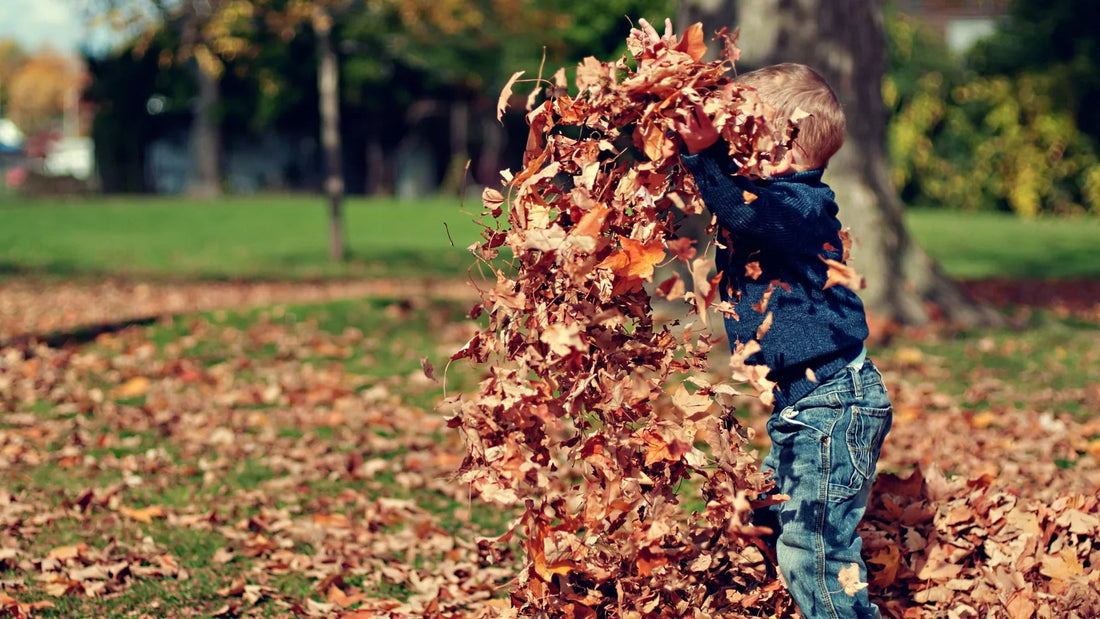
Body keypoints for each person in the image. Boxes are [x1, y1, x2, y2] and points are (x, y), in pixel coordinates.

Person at [636, 17, 893, 619]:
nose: (733, 154)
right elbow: (732, 200)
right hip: (805, 407)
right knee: (771, 517)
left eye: (743, 139)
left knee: (816, 554)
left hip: (835, 406)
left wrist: (707, 159)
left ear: (781, 142)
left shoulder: (802, 205)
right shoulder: (775, 200)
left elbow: (744, 210)